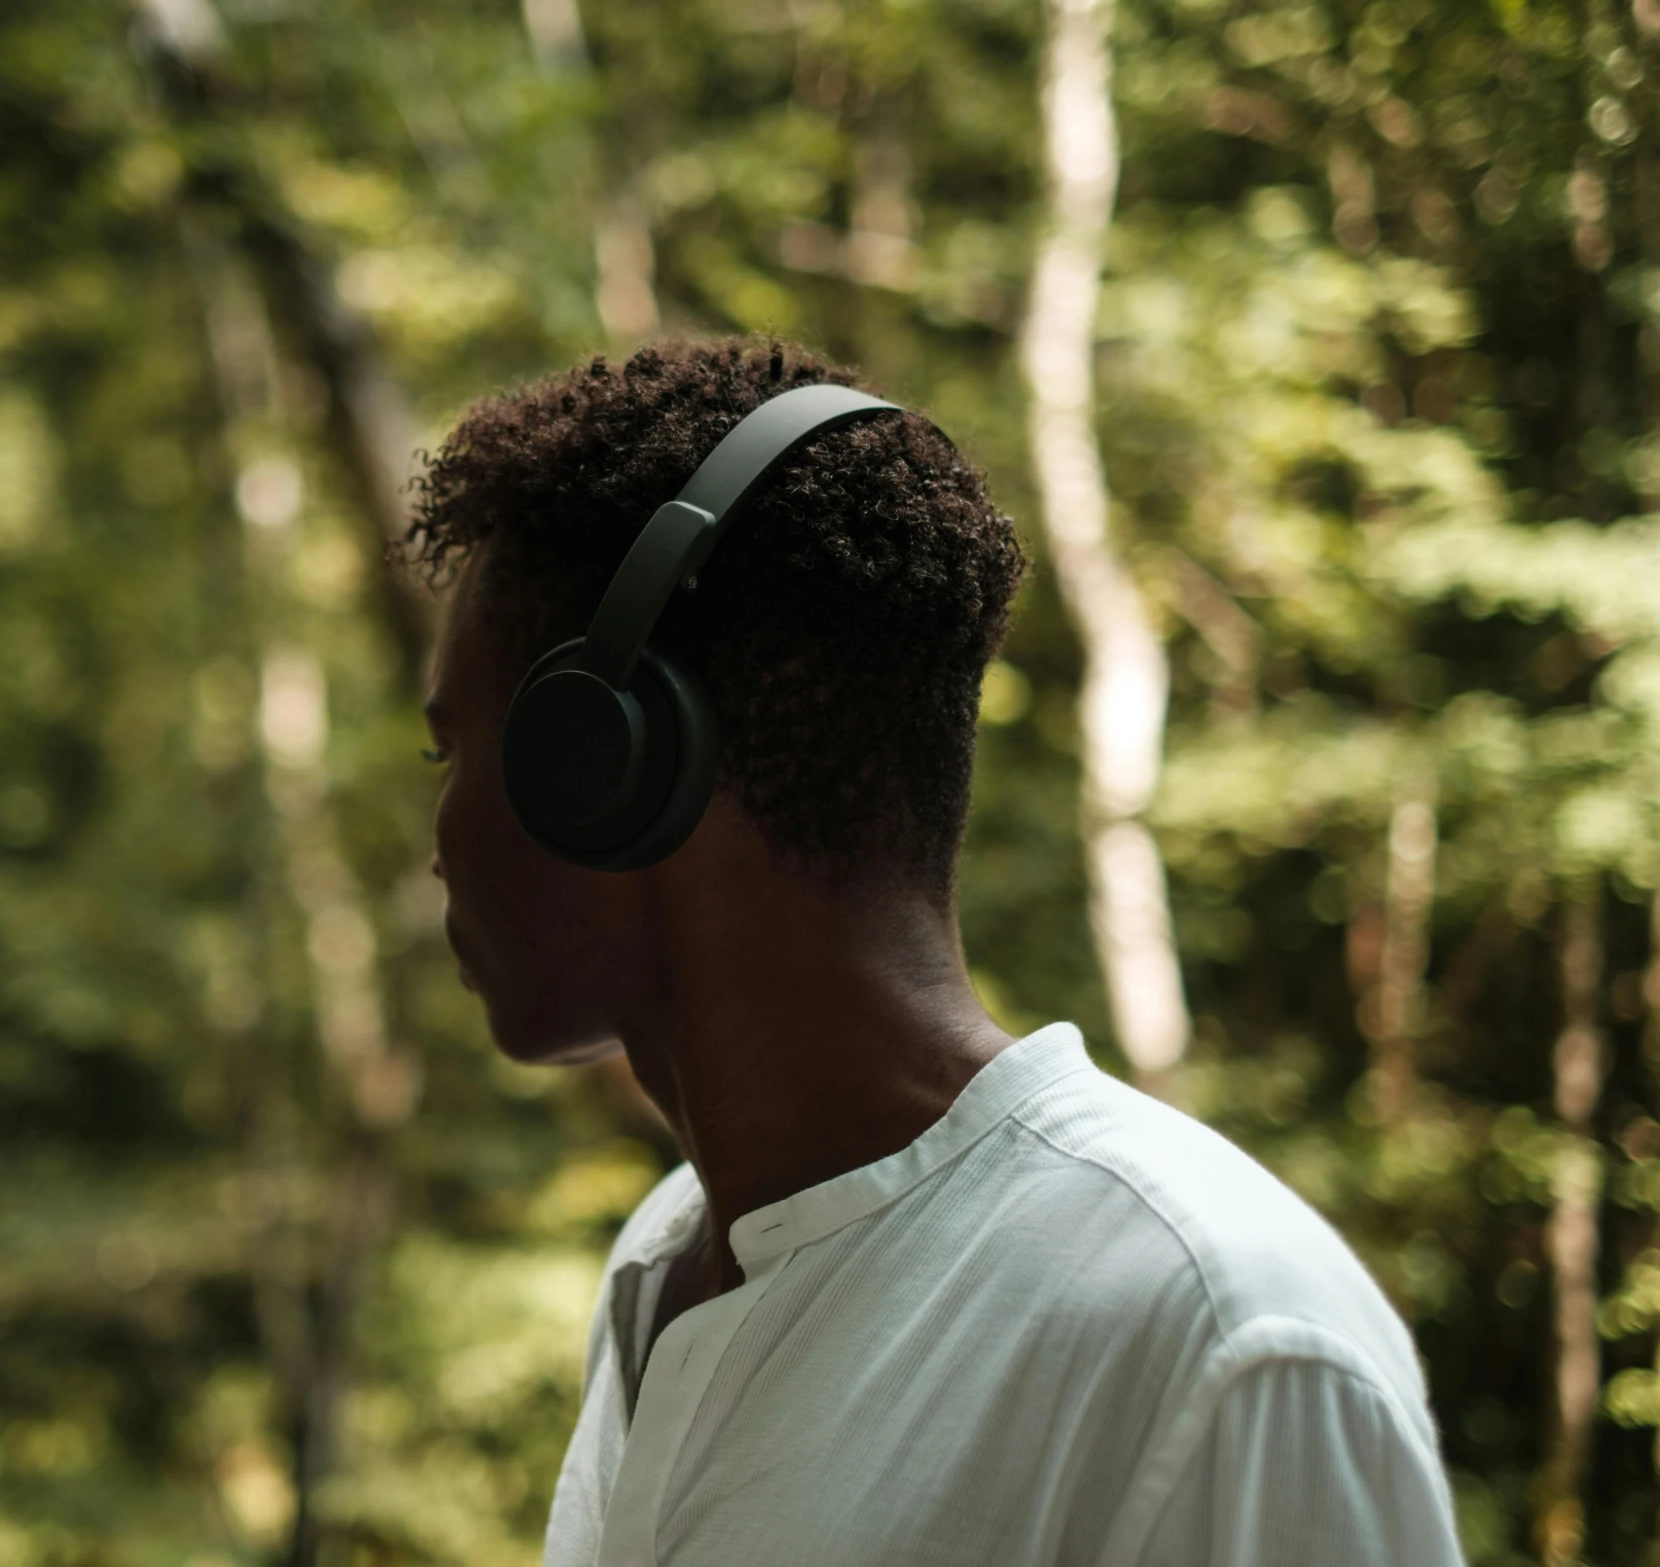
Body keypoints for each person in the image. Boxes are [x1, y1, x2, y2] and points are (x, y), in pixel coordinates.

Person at [404, 337, 1465, 1566]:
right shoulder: (663, 1267)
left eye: (448, 752)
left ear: (601, 761)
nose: (433, 844)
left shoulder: (1220, 1340)